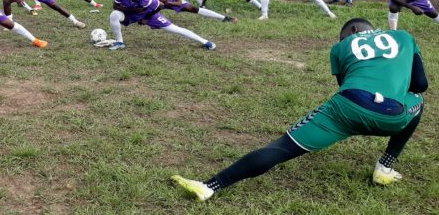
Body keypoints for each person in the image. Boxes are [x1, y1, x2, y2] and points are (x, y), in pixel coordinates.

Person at [171, 18, 427, 201]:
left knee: (281, 148)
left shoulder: (340, 47)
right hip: (395, 114)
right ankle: (385, 166)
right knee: (418, 99)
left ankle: (210, 186)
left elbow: (346, 85)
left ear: (352, 31)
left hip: (346, 107)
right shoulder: (404, 36)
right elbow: (420, 84)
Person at [108, 0, 215, 51]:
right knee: (114, 15)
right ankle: (119, 42)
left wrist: (146, 18)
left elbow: (161, 5)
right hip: (130, 14)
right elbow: (115, 6)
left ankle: (205, 42)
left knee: (175, 29)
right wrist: (131, 9)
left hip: (149, 14)